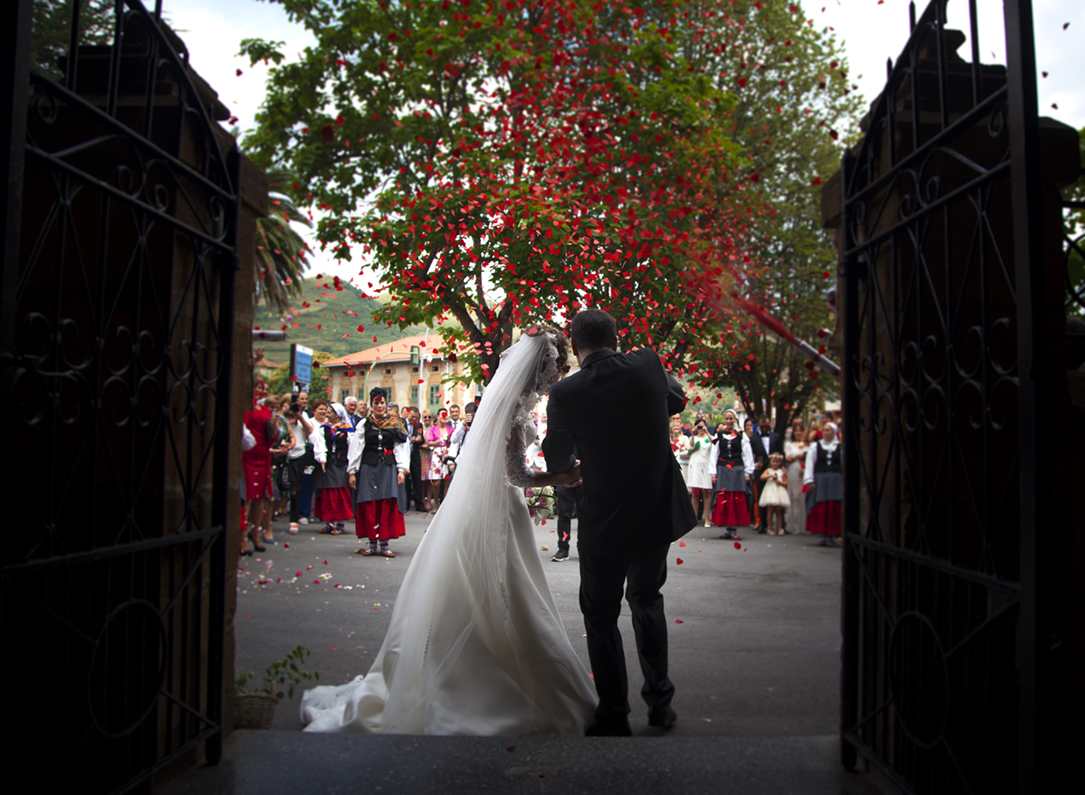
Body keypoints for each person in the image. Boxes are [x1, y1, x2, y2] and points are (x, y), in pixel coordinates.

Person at [300, 328, 592, 734]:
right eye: (557, 366)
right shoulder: (510, 405)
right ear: (542, 368)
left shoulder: (519, 401)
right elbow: (516, 472)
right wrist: (562, 477)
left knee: (494, 585)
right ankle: (472, 675)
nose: (560, 374)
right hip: (497, 505)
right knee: (492, 586)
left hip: (496, 502)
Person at [544, 309, 696, 736]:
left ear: (574, 346)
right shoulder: (647, 362)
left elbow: (556, 460)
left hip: (604, 517)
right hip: (655, 508)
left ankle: (614, 712)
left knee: (600, 613)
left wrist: (579, 455)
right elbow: (676, 399)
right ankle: (660, 703)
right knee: (647, 599)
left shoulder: (566, 392)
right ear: (616, 337)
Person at [349, 388, 409, 557]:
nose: (380, 406)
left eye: (382, 403)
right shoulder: (364, 424)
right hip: (369, 467)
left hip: (388, 467)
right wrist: (352, 471)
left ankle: (384, 544)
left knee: (386, 503)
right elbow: (356, 448)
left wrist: (401, 470)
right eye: (376, 403)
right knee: (369, 503)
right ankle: (372, 544)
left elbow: (400, 447)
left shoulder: (395, 424)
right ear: (372, 405)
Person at [309, 400, 354, 535]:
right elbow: (320, 444)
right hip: (328, 464)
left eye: (330, 411)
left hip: (340, 464)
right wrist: (321, 458)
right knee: (327, 491)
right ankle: (329, 523)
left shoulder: (347, 430)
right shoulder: (324, 429)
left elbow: (352, 448)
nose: (327, 413)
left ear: (338, 414)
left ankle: (340, 524)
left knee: (339, 491)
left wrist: (351, 464)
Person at [710, 410, 753, 540]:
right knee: (725, 498)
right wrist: (713, 473)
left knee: (736, 498)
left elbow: (747, 454)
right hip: (723, 469)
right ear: (724, 420)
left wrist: (747, 473)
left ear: (735, 420)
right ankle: (728, 529)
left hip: (737, 470)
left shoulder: (741, 436)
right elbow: (714, 454)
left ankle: (734, 529)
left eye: (731, 419)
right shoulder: (719, 435)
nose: (729, 421)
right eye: (727, 419)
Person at [804, 422, 843, 546]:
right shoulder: (816, 446)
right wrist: (809, 480)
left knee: (834, 506)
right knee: (822, 506)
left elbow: (843, 463)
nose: (825, 433)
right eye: (824, 430)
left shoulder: (840, 447)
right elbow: (810, 463)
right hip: (820, 480)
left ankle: (831, 536)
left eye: (828, 430)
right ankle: (823, 536)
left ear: (834, 432)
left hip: (836, 481)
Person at [756, 416, 784, 534]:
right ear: (759, 426)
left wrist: (782, 468)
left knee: (778, 499)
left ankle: (780, 525)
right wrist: (754, 465)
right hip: (761, 471)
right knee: (762, 499)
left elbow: (782, 453)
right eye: (762, 427)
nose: (765, 428)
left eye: (767, 426)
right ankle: (764, 524)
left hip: (775, 471)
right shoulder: (754, 438)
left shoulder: (776, 437)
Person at [685, 421, 714, 527]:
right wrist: (693, 433)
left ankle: (707, 519)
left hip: (706, 466)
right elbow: (690, 448)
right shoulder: (693, 437)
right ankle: (694, 518)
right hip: (695, 466)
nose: (701, 428)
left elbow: (715, 443)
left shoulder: (710, 437)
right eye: (699, 426)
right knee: (695, 493)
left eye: (703, 426)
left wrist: (707, 432)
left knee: (706, 493)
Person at [426, 408, 454, 510]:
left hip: (447, 454)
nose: (444, 417)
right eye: (442, 415)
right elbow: (429, 443)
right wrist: (437, 442)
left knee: (446, 481)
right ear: (437, 417)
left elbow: (454, 442)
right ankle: (436, 502)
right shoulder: (433, 429)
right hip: (437, 454)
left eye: (445, 415)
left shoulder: (451, 429)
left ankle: (444, 505)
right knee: (436, 482)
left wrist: (450, 440)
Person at [784, 422, 807, 534]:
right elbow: (787, 458)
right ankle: (793, 525)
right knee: (794, 497)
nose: (798, 432)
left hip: (804, 471)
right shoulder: (790, 444)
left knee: (804, 498)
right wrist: (797, 456)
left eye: (800, 430)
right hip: (793, 470)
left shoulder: (807, 444)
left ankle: (803, 525)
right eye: (796, 430)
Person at [759, 452, 789, 535]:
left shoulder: (782, 471)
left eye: (777, 461)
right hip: (771, 491)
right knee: (771, 510)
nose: (775, 463)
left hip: (779, 491)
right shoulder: (768, 471)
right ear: (770, 462)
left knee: (779, 511)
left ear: (780, 463)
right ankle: (770, 527)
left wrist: (780, 482)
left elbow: (786, 482)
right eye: (773, 461)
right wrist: (770, 475)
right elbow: (762, 477)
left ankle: (780, 528)